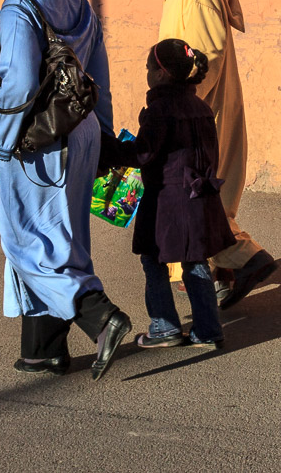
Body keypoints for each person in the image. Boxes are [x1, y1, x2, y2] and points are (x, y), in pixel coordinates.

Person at [0, 0, 131, 380]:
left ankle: (99, 316)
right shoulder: (79, 5)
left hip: (40, 138)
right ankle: (43, 347)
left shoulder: (19, 7)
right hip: (81, 131)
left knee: (26, 240)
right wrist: (102, 135)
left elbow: (20, 81)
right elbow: (98, 77)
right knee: (63, 237)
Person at [154, 0, 276, 309]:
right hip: (191, 107)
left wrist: (182, 104)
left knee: (195, 196)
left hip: (199, 109)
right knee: (197, 195)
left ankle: (244, 260)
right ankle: (223, 276)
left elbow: (209, 48)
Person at [101, 39, 236, 349]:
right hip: (199, 197)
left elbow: (143, 154)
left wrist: (106, 149)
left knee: (153, 260)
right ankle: (208, 328)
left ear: (160, 74)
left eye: (149, 68)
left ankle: (164, 327)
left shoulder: (160, 110)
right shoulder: (200, 107)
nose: (147, 73)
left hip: (166, 201)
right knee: (196, 262)